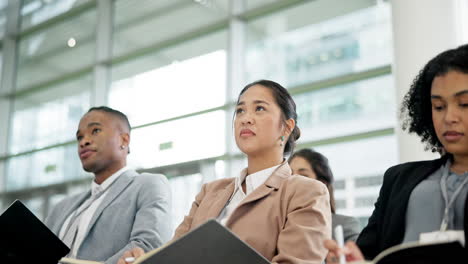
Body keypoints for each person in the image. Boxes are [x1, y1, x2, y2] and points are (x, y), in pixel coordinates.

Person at [118, 80, 331, 264]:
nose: (246, 118)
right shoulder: (210, 192)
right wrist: (145, 260)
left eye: (259, 109)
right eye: (240, 110)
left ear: (286, 127)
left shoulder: (306, 192)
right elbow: (174, 255)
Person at [325, 44, 468, 262]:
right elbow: (368, 254)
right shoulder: (398, 179)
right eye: (438, 107)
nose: (449, 117)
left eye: (465, 104)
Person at [45, 106, 172, 264]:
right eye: (79, 137)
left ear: (124, 140)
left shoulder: (147, 185)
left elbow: (148, 246)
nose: (84, 141)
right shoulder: (61, 208)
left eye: (96, 131)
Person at [289, 148, 360, 242]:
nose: (293, 180)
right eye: (289, 175)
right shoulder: (279, 223)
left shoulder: (344, 225)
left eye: (303, 176)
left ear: (322, 183)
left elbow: (355, 255)